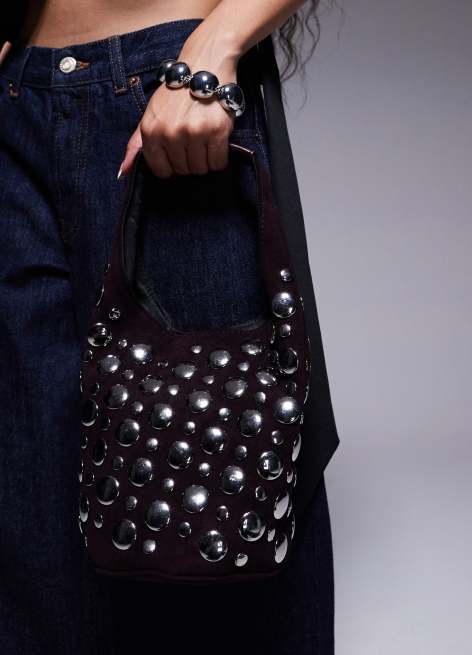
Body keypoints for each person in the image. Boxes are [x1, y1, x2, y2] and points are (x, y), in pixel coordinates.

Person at [0, 1, 340, 653]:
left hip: (169, 98)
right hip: (17, 98)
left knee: (215, 527)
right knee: (28, 535)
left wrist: (216, 45)